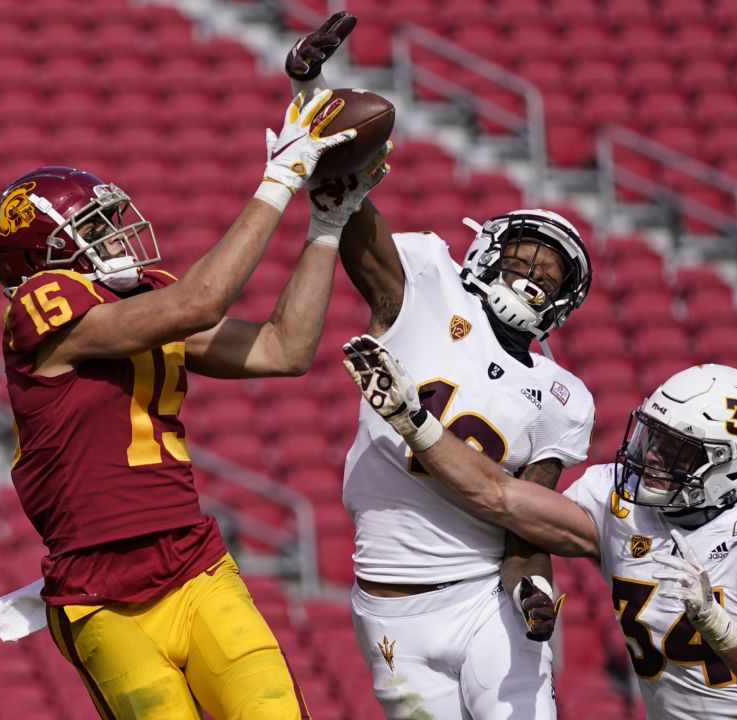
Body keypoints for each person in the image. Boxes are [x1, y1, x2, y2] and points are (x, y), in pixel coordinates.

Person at [0, 90, 388, 720]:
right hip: (100, 596)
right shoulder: (41, 308)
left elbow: (284, 349)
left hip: (195, 564)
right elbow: (197, 305)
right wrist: (278, 178)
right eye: (90, 229)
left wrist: (327, 229)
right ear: (40, 261)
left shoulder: (148, 300)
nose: (114, 236)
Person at [284, 14, 596, 719]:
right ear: (488, 248)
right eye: (522, 254)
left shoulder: (561, 395)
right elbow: (346, 197)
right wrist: (311, 90)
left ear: (566, 301)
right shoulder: (426, 277)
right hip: (394, 608)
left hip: (486, 597)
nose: (531, 275)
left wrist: (532, 590)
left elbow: (528, 523)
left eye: (549, 272)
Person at [344, 351, 737, 719]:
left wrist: (717, 625)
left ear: (732, 468)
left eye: (678, 452)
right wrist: (416, 423)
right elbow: (501, 497)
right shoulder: (617, 504)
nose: (653, 459)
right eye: (654, 438)